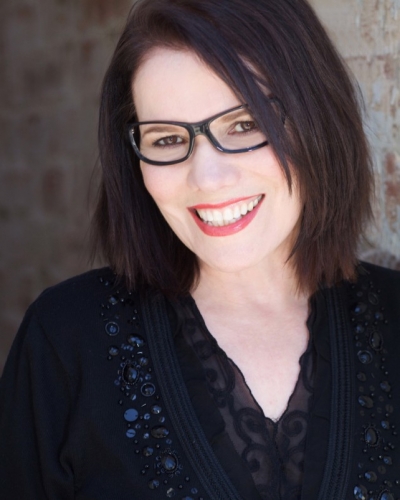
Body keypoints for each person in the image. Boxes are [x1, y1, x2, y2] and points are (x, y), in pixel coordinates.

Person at [0, 0, 399, 498]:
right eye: (166, 139)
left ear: (316, 119)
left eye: (246, 124)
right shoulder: (64, 340)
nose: (208, 179)